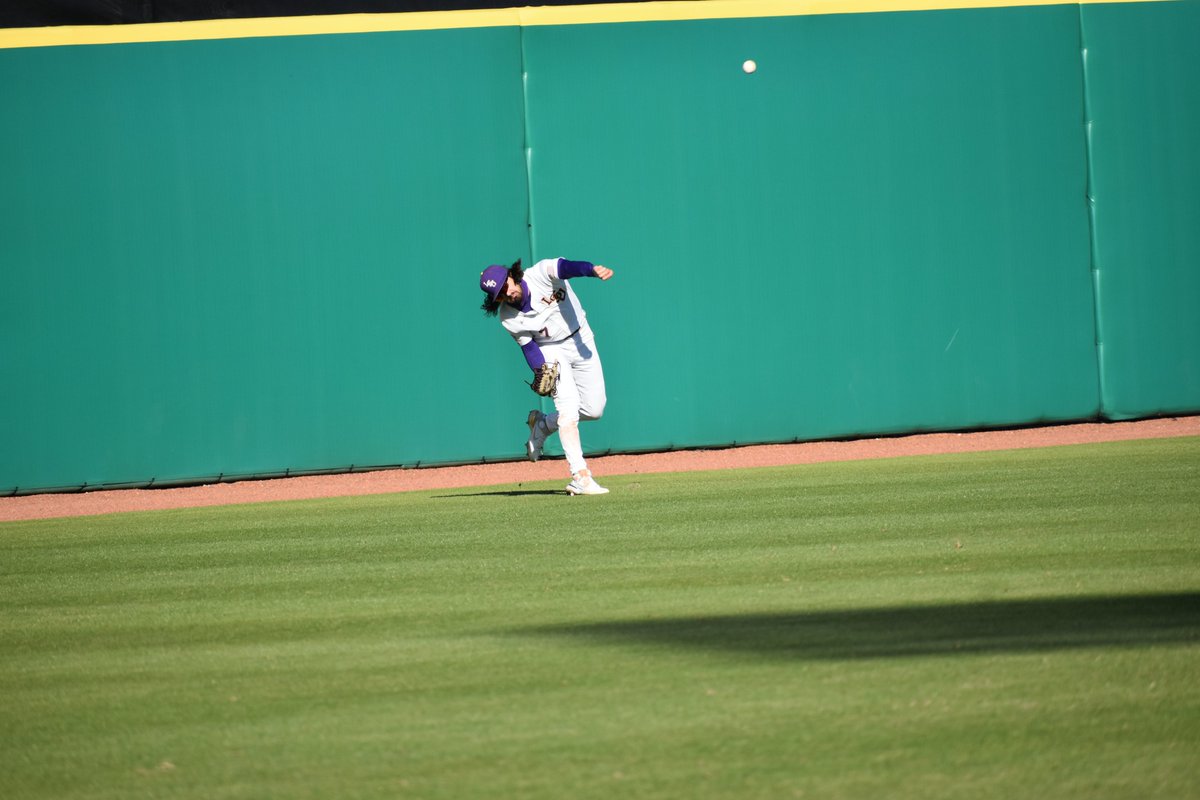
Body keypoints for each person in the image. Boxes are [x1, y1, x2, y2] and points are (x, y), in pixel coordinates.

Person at [479, 257, 614, 495]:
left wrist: (592, 270)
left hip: (581, 337)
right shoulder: (508, 317)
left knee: (594, 409)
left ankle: (542, 424)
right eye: (499, 293)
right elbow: (529, 347)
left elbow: (566, 267)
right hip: (550, 348)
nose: (507, 292)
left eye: (505, 284)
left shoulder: (539, 273)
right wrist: (540, 369)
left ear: (512, 274)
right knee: (569, 409)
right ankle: (580, 476)